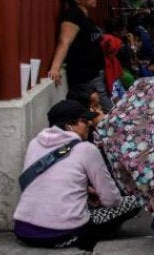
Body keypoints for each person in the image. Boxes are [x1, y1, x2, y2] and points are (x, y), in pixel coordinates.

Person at [13, 100, 140, 250]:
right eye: (84, 121)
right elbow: (111, 200)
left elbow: (49, 181)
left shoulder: (34, 143)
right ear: (69, 126)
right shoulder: (86, 149)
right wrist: (101, 198)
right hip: (62, 235)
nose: (90, 124)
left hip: (23, 231)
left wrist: (86, 191)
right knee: (136, 201)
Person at [47, 0, 113, 112]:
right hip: (86, 76)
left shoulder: (84, 16)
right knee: (109, 111)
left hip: (95, 74)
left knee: (101, 110)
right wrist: (55, 67)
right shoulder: (73, 15)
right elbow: (64, 41)